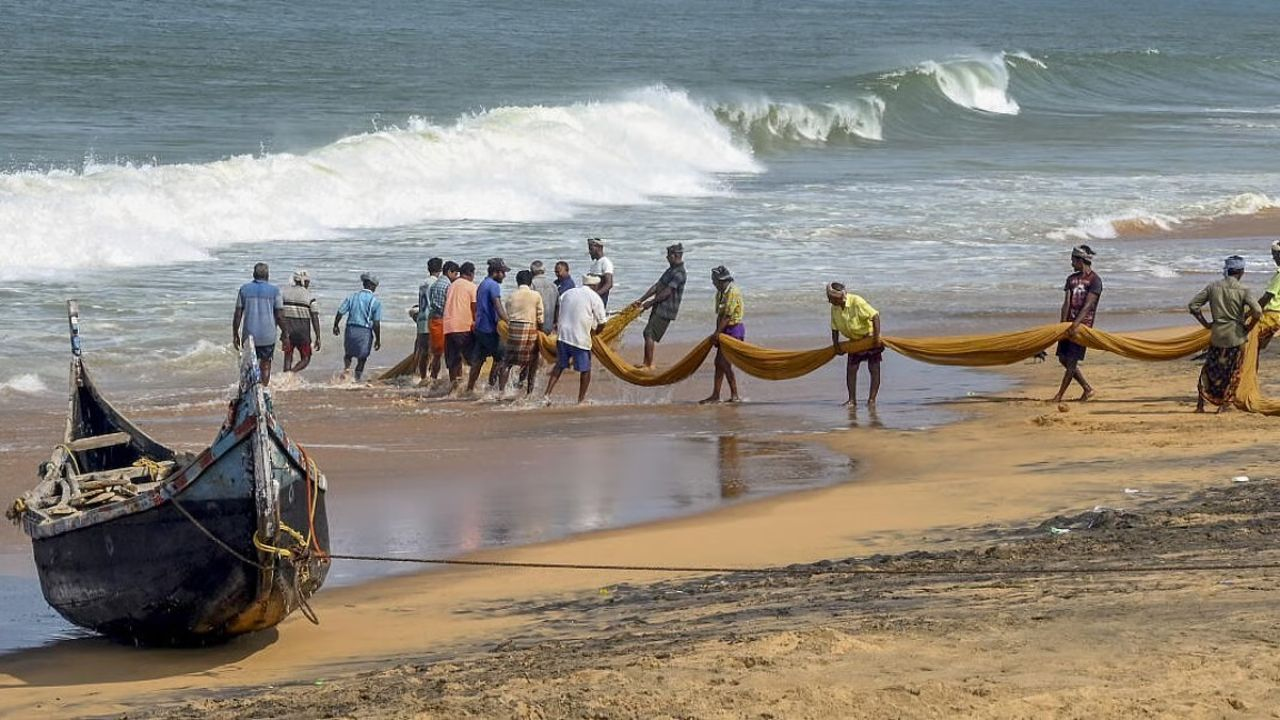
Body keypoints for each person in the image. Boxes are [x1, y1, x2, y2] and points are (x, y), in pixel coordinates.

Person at [1189, 255, 1261, 413]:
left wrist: (1205, 323)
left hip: (1217, 334)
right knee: (1233, 370)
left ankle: (1200, 405)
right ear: (1241, 271)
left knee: (1210, 368)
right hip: (1236, 335)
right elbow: (1257, 311)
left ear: (1227, 270)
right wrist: (1249, 327)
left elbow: (1193, 306)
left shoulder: (1213, 287)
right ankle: (1223, 405)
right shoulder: (1244, 290)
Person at [1052, 245, 1103, 403]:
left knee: (1072, 361)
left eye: (1073, 260)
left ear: (1080, 260)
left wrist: (1076, 325)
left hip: (1082, 326)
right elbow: (1066, 303)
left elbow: (1088, 306)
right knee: (1063, 358)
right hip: (1068, 325)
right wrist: (1062, 325)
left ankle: (1059, 395)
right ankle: (1087, 388)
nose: (1071, 263)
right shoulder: (1071, 279)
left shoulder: (1095, 280)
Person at [545, 275, 607, 404]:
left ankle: (546, 395)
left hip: (562, 336)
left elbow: (559, 309)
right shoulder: (594, 297)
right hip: (580, 338)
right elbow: (602, 322)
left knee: (559, 366)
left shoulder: (568, 293)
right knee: (585, 369)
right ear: (595, 286)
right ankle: (581, 400)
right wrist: (596, 333)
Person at [630, 243, 686, 369]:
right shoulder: (671, 270)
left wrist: (650, 303)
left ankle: (648, 364)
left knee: (649, 333)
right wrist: (641, 300)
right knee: (648, 333)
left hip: (666, 309)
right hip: (659, 306)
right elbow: (657, 286)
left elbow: (667, 292)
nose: (667, 257)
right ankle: (647, 362)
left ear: (676, 255)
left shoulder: (680, 273)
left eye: (669, 255)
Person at [827, 281, 881, 407]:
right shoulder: (834, 308)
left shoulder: (857, 301)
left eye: (831, 298)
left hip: (869, 338)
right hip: (854, 341)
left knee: (874, 368)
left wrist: (876, 338)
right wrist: (836, 345)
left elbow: (875, 316)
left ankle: (872, 400)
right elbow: (834, 328)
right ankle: (852, 400)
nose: (829, 301)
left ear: (839, 297)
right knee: (851, 369)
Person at [233, 262, 285, 386]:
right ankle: (263, 388)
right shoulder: (275, 291)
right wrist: (286, 332)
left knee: (248, 365)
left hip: (249, 336)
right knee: (266, 364)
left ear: (254, 274)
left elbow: (238, 314)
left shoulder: (244, 289)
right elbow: (279, 316)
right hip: (268, 336)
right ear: (268, 275)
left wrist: (235, 333)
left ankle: (248, 389)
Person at [700, 265, 744, 404]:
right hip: (723, 329)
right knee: (719, 363)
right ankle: (716, 395)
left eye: (714, 280)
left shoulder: (733, 292)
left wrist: (717, 333)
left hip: (734, 330)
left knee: (724, 363)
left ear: (721, 280)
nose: (713, 283)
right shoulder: (720, 293)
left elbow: (728, 316)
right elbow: (719, 315)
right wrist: (717, 334)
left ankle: (735, 395)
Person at [467, 258, 511, 393]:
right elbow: (498, 307)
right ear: (496, 272)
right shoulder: (493, 285)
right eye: (503, 272)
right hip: (490, 329)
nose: (504, 276)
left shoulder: (483, 284)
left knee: (479, 360)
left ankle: (469, 389)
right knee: (503, 358)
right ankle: (499, 391)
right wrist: (509, 322)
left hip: (480, 328)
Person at [332, 273, 383, 381]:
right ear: (372, 286)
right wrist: (378, 339)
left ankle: (346, 370)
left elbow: (340, 312)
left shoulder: (352, 297)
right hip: (364, 331)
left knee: (348, 354)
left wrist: (336, 325)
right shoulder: (375, 302)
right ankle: (356, 378)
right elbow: (376, 323)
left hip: (350, 329)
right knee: (362, 358)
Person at [504, 270, 545, 395]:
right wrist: (541, 334)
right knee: (532, 361)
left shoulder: (511, 296)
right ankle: (529, 392)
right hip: (529, 329)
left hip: (513, 329)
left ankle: (502, 391)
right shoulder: (535, 295)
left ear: (517, 282)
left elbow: (508, 313)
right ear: (530, 282)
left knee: (508, 362)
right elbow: (540, 317)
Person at [442, 261, 478, 387]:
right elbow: (475, 308)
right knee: (473, 359)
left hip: (448, 326)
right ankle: (471, 387)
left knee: (453, 360)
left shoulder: (452, 285)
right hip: (463, 326)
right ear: (470, 273)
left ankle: (454, 387)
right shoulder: (471, 286)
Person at [281, 270, 321, 374]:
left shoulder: (285, 294)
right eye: (308, 281)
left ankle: (286, 376)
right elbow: (314, 317)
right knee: (306, 358)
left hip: (288, 332)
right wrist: (318, 336)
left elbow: (279, 314)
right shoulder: (309, 296)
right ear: (304, 281)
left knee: (288, 357)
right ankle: (291, 374)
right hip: (303, 333)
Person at [425, 261, 458, 380]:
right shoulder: (448, 286)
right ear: (449, 272)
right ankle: (451, 380)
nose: (456, 277)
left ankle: (433, 379)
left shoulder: (435, 284)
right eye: (455, 274)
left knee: (437, 354)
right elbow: (449, 306)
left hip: (434, 321)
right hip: (443, 321)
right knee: (450, 353)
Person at [413, 257, 445, 381]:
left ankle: (423, 377)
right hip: (432, 319)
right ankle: (433, 378)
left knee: (424, 351)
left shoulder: (423, 283)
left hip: (421, 319)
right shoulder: (436, 283)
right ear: (440, 269)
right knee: (436, 353)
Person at [1256, 240, 1280, 351]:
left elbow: (1267, 297)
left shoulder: (1279, 276)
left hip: (1272, 315)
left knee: (1251, 338)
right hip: (1277, 316)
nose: (1273, 258)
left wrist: (1253, 310)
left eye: (1274, 255)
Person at [530, 261, 560, 335]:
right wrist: (556, 323)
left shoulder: (532, 285)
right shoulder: (553, 286)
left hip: (536, 327)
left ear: (532, 272)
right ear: (544, 271)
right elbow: (558, 307)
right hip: (550, 327)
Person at [586, 237, 614, 306]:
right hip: (590, 300)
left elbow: (609, 284)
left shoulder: (605, 262)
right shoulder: (594, 265)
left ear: (599, 247)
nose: (589, 252)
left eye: (591, 249)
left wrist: (596, 295)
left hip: (599, 301)